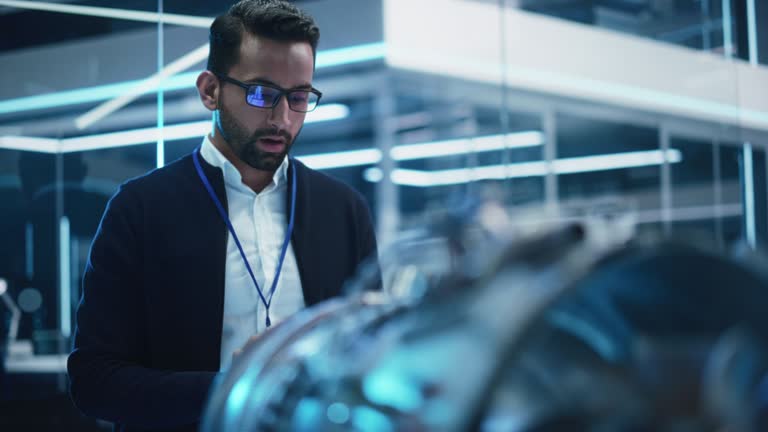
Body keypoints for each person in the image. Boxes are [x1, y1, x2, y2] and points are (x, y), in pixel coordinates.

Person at [67, 1, 379, 431]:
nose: (282, 118)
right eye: (261, 94)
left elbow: (371, 354)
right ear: (210, 90)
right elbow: (93, 382)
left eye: (299, 97)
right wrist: (226, 386)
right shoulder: (140, 209)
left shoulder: (343, 210)